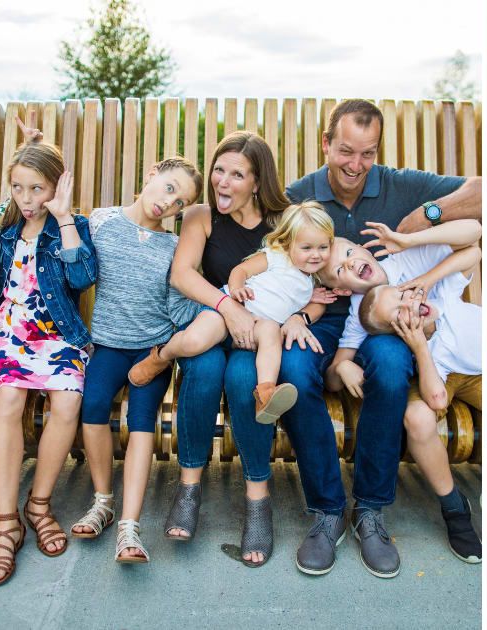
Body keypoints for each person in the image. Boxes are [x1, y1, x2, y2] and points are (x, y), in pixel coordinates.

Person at [282, 98, 481, 578]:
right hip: (318, 316)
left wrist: (420, 220)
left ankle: (370, 509)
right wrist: (291, 320)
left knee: (391, 363)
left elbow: (481, 194)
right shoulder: (297, 196)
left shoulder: (400, 185)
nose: (356, 165)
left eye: (367, 154)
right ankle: (327, 510)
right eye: (346, 151)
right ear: (326, 143)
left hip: (384, 319)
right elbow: (270, 260)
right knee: (291, 369)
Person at [164, 131, 330, 568]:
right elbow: (182, 275)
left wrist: (300, 316)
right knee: (201, 371)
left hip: (260, 335)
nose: (223, 181)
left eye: (237, 175)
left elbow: (315, 276)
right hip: (215, 320)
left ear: (257, 182)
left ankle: (258, 498)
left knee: (243, 380)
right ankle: (189, 486)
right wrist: (226, 306)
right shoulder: (200, 216)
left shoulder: (284, 223)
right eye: (219, 169)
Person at [67, 156, 202, 564]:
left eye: (182, 203)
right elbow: (74, 263)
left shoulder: (173, 247)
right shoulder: (102, 221)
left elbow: (178, 305)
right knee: (92, 406)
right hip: (108, 345)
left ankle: (130, 526)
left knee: (141, 419)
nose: (170, 203)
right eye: (169, 188)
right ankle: (103, 502)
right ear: (151, 175)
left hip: (151, 350)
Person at [0, 122, 98, 585]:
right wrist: (32, 146)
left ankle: (39, 504)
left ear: (56, 188)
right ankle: (7, 523)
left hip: (58, 335)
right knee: (8, 401)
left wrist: (65, 216)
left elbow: (83, 277)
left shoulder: (72, 225)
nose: (27, 198)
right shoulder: (6, 224)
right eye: (18, 188)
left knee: (67, 400)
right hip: (12, 333)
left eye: (37, 189)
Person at [130, 201, 334, 426]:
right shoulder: (277, 257)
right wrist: (236, 288)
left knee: (271, 332)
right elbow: (241, 270)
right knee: (194, 341)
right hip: (228, 312)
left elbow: (314, 307)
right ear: (288, 243)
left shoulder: (311, 283)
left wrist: (311, 305)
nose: (315, 255)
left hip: (257, 325)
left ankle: (265, 393)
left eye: (323, 248)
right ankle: (162, 356)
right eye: (307, 248)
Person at [357, 271, 482, 563]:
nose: (409, 306)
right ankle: (454, 507)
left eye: (402, 296)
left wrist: (424, 282)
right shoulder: (431, 352)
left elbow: (472, 250)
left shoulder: (443, 295)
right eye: (399, 314)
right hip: (446, 375)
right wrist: (420, 347)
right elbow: (437, 397)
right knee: (418, 417)